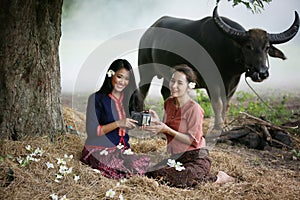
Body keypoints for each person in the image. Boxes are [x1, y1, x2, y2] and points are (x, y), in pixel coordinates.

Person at [144, 64, 235, 188]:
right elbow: (169, 130)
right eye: (172, 81)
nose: (174, 86)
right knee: (151, 171)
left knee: (183, 178)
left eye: (180, 83)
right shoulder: (169, 103)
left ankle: (219, 178)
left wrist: (165, 129)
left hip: (196, 157)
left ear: (189, 86)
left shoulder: (194, 109)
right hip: (176, 158)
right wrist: (157, 122)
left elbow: (191, 140)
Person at [80, 59, 150, 179]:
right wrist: (118, 123)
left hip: (122, 151)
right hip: (99, 149)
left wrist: (141, 121)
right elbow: (93, 131)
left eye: (126, 79)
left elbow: (130, 127)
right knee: (112, 168)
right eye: (119, 77)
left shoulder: (129, 99)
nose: (122, 82)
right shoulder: (96, 99)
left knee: (143, 166)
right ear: (111, 75)